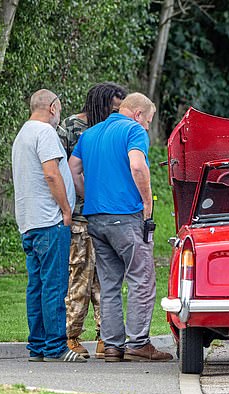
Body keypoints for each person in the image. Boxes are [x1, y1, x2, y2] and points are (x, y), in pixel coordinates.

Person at [68, 92, 172, 362]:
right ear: (138, 114)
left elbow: (73, 169)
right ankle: (139, 342)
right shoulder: (133, 131)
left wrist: (88, 195)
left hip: (95, 218)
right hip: (125, 215)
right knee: (141, 278)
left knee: (110, 283)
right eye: (148, 121)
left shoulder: (89, 134)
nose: (147, 126)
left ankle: (112, 345)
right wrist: (147, 203)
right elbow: (138, 166)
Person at [11, 89, 86, 363]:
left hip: (29, 222)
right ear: (53, 107)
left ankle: (38, 346)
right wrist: (66, 210)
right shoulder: (45, 133)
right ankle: (55, 347)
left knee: (37, 286)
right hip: (49, 221)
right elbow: (51, 174)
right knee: (54, 285)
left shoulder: (23, 134)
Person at [58, 82, 127, 359]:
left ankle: (105, 337)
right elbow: (59, 171)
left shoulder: (111, 131)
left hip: (107, 215)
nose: (116, 114)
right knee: (80, 278)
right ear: (98, 104)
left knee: (106, 280)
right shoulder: (70, 128)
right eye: (112, 108)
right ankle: (70, 336)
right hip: (79, 217)